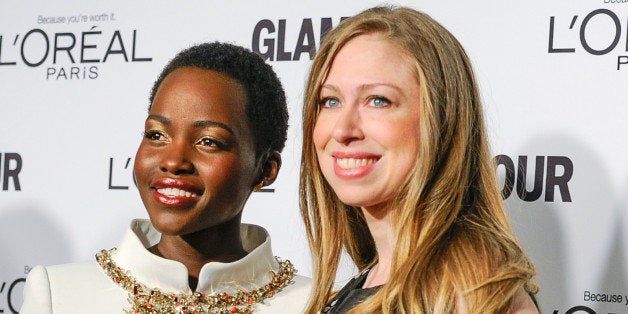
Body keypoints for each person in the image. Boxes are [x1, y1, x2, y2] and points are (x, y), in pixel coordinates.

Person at [21, 42, 311, 313]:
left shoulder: (317, 302)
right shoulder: (59, 295)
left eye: (208, 141)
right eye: (156, 135)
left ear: (265, 170)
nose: (173, 161)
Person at [300, 6, 539, 313]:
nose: (343, 129)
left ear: (440, 121)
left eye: (378, 100)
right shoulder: (375, 276)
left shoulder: (471, 289)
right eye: (330, 101)